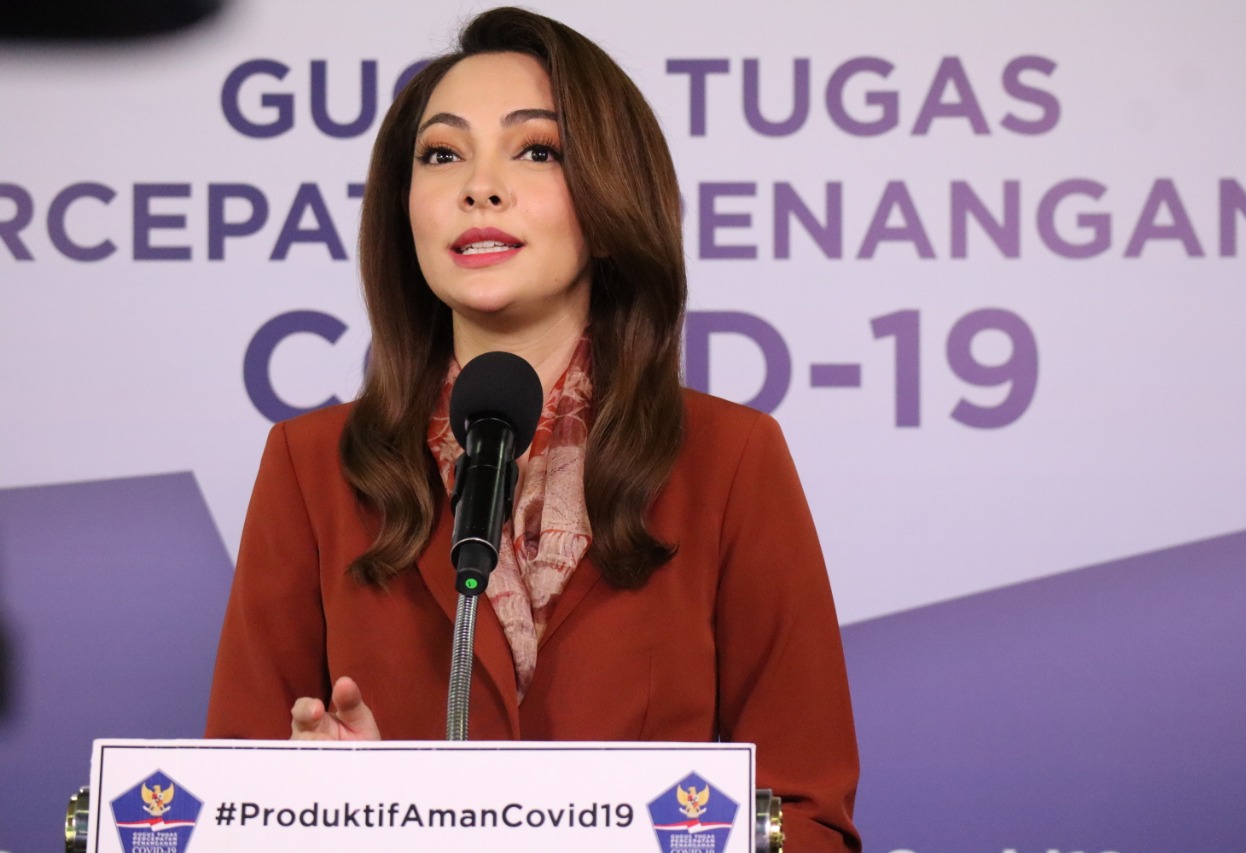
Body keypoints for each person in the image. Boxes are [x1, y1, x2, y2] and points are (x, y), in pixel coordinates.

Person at [205, 7, 860, 849]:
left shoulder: (730, 459)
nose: (479, 186)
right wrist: (325, 812)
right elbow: (224, 808)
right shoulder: (310, 465)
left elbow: (807, 818)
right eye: (442, 154)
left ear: (610, 200)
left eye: (537, 150)